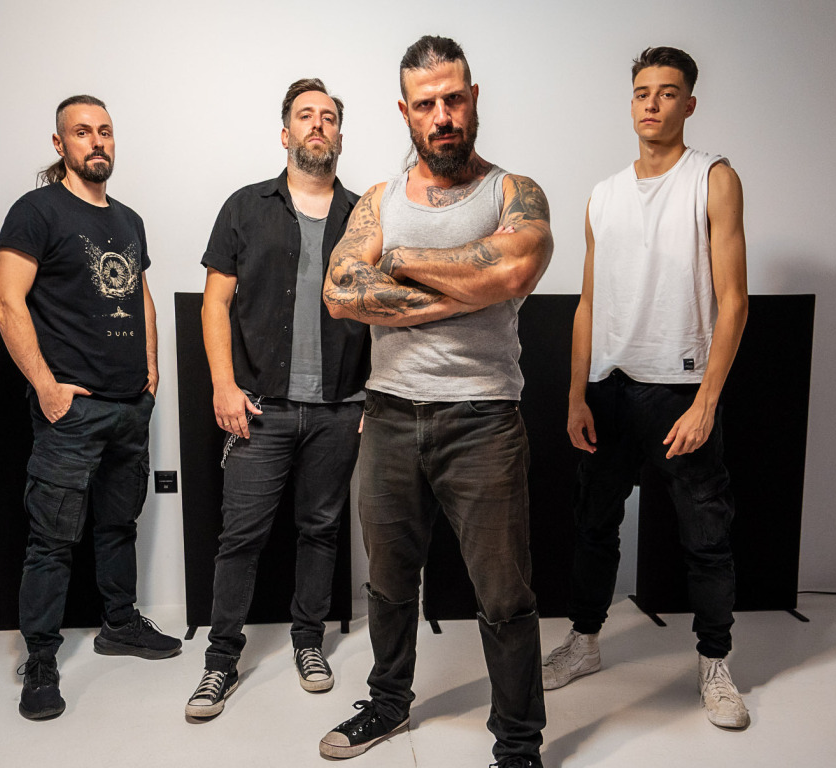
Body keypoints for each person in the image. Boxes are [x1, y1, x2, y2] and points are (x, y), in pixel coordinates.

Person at [319, 36, 552, 768]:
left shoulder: (514, 193)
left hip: (483, 419)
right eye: (426, 105)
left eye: (453, 99)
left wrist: (400, 262)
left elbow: (516, 268)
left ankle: (518, 743)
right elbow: (339, 291)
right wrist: (465, 289)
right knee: (389, 584)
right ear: (405, 112)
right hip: (389, 416)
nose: (442, 116)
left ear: (473, 97)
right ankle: (388, 702)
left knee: (504, 595)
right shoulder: (380, 200)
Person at [541, 46, 750, 730]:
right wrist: (576, 394)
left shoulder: (712, 178)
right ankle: (585, 641)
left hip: (679, 390)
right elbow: (588, 304)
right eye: (641, 92)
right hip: (610, 388)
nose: (652, 103)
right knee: (593, 526)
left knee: (706, 535)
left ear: (689, 104)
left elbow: (734, 299)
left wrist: (706, 402)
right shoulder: (603, 195)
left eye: (666, 92)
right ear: (630, 102)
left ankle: (715, 663)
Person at [0, 95, 180, 721]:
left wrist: (150, 372)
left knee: (118, 525)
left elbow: (141, 294)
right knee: (51, 540)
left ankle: (119, 624)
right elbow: (5, 301)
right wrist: (47, 387)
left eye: (105, 131)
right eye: (81, 132)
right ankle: (40, 660)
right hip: (72, 412)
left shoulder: (129, 219)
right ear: (59, 144)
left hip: (130, 407)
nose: (96, 141)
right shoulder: (36, 211)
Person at [184, 79, 369, 719]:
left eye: (329, 117)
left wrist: (373, 399)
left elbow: (385, 313)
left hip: (341, 409)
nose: (318, 124)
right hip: (259, 408)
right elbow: (215, 303)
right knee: (241, 536)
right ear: (285, 132)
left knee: (320, 531)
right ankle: (220, 662)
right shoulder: (244, 207)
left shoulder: (366, 215)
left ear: (339, 134)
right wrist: (223, 385)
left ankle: (308, 642)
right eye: (305, 115)